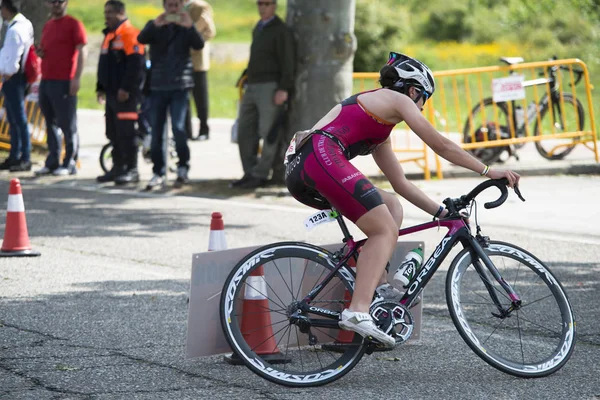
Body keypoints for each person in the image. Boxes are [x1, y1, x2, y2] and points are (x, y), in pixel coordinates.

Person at [284, 52, 521, 348]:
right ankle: (357, 311)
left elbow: (401, 183)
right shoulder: (397, 100)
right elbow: (440, 144)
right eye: (423, 99)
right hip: (319, 155)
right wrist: (487, 170)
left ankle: (377, 292)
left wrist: (442, 213)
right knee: (383, 228)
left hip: (306, 165)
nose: (421, 107)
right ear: (413, 90)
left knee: (392, 205)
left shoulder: (379, 126)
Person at [137, 0, 204, 190]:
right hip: (158, 86)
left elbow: (199, 45)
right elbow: (141, 39)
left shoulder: (186, 26)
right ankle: (158, 171)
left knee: (178, 128)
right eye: (169, 5)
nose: (172, 9)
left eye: (176, 5)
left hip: (180, 86)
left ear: (181, 5)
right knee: (156, 131)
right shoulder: (156, 25)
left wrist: (189, 26)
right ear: (164, 5)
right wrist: (154, 25)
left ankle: (183, 168)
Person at [229, 0, 295, 190]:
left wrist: (284, 88)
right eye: (259, 4)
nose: (262, 7)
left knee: (269, 133)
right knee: (244, 131)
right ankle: (249, 172)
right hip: (252, 85)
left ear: (274, 5)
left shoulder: (281, 30)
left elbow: (288, 62)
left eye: (266, 4)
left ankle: (261, 174)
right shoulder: (258, 27)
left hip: (270, 87)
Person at [34, 0, 87, 177]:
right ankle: (52, 161)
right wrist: (40, 52)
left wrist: (77, 78)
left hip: (64, 81)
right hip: (47, 80)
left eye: (60, 1)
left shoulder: (74, 24)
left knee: (67, 124)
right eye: (52, 1)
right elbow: (47, 50)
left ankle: (70, 162)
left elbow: (82, 50)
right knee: (50, 123)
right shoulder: (48, 25)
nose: (56, 4)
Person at [96, 0, 146, 185]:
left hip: (126, 95)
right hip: (111, 94)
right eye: (105, 12)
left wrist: (126, 88)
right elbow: (105, 65)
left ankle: (132, 170)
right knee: (113, 132)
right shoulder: (109, 35)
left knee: (127, 133)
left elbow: (136, 65)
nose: (106, 16)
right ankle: (117, 168)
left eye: (110, 12)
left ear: (120, 13)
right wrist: (100, 88)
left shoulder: (130, 33)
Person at [0, 0, 34, 172]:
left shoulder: (15, 29)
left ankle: (24, 157)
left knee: (18, 119)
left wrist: (5, 72)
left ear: (6, 9)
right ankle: (15, 156)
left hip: (12, 78)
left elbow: (13, 60)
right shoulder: (24, 24)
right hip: (18, 78)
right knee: (14, 119)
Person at [185, 0, 215, 141]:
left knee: (200, 98)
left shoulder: (199, 6)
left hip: (197, 60)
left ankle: (204, 129)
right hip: (181, 61)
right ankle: (186, 131)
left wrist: (192, 40)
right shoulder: (176, 6)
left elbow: (210, 31)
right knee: (183, 98)